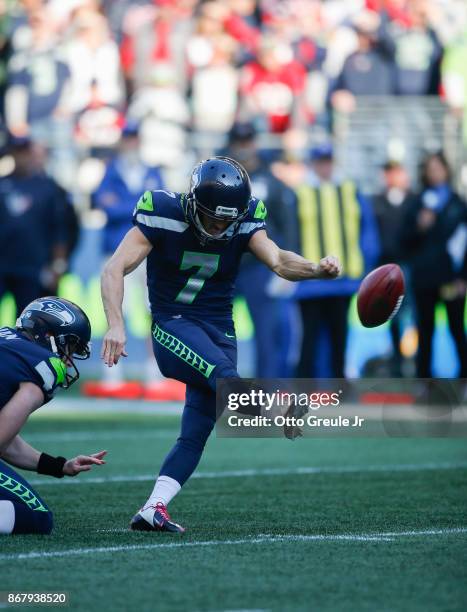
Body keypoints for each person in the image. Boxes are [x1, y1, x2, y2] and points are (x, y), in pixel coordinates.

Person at [100, 156, 341, 532]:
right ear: (194, 203)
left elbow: (277, 260)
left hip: (220, 331)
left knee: (195, 432)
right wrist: (116, 324)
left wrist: (315, 269)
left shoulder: (244, 218)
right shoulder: (162, 210)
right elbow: (114, 267)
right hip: (173, 324)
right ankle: (281, 414)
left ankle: (153, 507)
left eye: (227, 219)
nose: (219, 226)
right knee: (229, 381)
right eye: (213, 217)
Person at [0, 297, 106, 535]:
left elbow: (7, 442)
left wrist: (60, 466)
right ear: (47, 335)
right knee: (38, 518)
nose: (68, 360)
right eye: (69, 347)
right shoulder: (43, 365)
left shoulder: (6, 338)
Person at [294, 143, 380, 378]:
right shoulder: (300, 192)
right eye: (321, 161)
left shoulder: (350, 190)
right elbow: (291, 234)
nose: (325, 166)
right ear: (313, 163)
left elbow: (367, 231)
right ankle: (304, 389)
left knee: (339, 338)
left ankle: (338, 390)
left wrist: (366, 267)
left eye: (328, 161)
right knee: (308, 340)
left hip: (343, 280)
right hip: (309, 281)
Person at [227, 121, 298, 377]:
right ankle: (211, 389)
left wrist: (287, 269)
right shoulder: (220, 178)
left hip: (260, 266)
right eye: (239, 142)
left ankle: (265, 393)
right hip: (227, 265)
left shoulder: (272, 181)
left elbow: (288, 224)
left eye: (247, 142)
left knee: (268, 334)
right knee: (212, 329)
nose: (243, 148)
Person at [401, 152, 467, 379]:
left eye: (438, 168)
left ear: (446, 170)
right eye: (430, 169)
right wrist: (420, 226)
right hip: (424, 279)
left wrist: (463, 278)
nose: (434, 173)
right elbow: (404, 241)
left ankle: (463, 379)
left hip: (451, 279)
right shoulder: (417, 203)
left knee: (457, 328)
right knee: (424, 330)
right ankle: (424, 381)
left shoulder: (458, 204)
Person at [0, 136, 72, 316]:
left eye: (25, 152)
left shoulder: (47, 187)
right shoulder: (2, 184)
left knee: (28, 321)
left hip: (33, 266)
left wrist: (58, 264)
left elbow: (59, 229)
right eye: (17, 152)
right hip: (3, 263)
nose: (21, 157)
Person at [373, 160, 414, 375]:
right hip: (387, 267)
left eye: (396, 171)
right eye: (388, 171)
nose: (392, 176)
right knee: (394, 316)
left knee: (412, 315)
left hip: (409, 265)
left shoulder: (414, 200)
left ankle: (413, 361)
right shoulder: (377, 201)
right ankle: (398, 361)